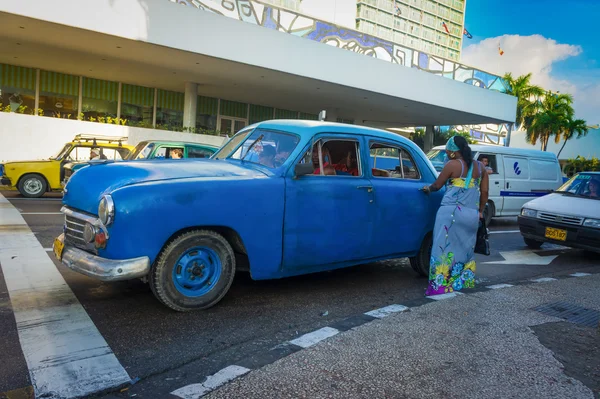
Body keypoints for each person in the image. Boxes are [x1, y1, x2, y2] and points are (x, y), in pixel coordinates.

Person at [421, 135, 489, 296]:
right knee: (464, 248)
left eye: (447, 149)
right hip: (471, 214)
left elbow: (437, 185)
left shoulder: (452, 165)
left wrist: (428, 189)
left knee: (442, 248)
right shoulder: (481, 167)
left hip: (450, 213)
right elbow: (485, 192)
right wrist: (479, 211)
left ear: (452, 151)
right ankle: (461, 281)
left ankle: (440, 285)